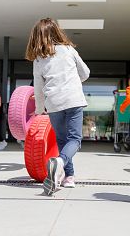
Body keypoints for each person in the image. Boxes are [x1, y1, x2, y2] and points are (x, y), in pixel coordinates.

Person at [25, 18, 90, 196]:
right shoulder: (69, 49)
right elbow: (85, 73)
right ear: (56, 32)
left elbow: (38, 88)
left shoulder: (38, 60)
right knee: (74, 140)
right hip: (73, 100)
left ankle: (69, 177)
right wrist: (74, 79)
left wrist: (39, 110)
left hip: (53, 103)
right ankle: (60, 162)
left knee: (62, 140)